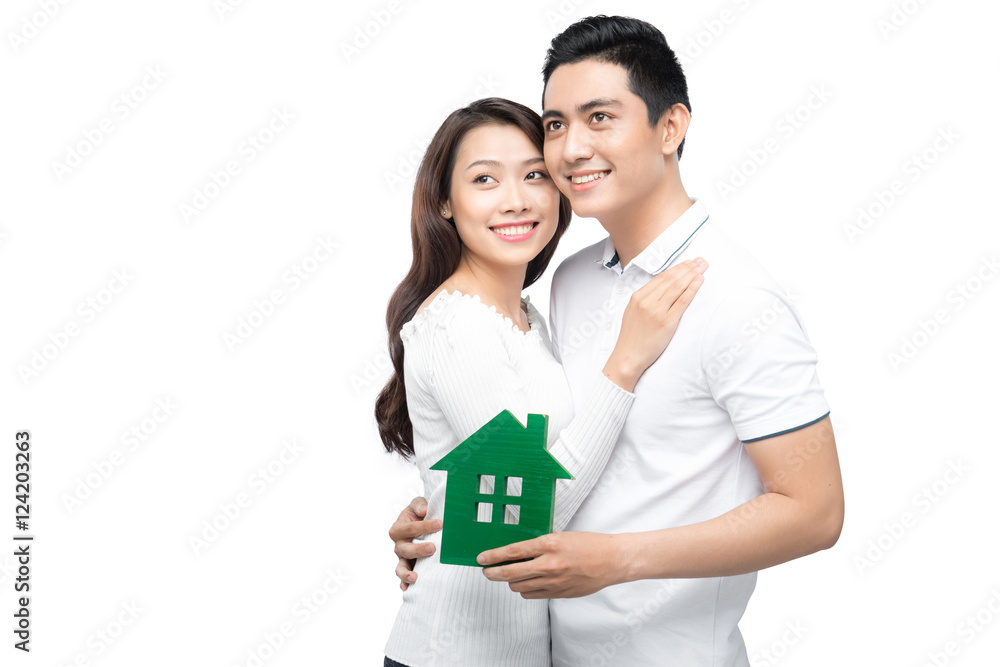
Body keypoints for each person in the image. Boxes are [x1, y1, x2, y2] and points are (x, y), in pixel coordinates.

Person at [389, 15, 845, 667]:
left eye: (600, 117)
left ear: (670, 127)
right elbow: (533, 452)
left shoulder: (740, 299)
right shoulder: (570, 281)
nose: (572, 148)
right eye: (556, 124)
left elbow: (815, 512)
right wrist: (442, 505)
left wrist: (621, 558)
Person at [375, 96, 708, 666]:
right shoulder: (459, 326)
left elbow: (495, 480)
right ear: (445, 204)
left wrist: (438, 507)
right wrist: (624, 364)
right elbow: (527, 515)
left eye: (535, 175)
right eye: (485, 179)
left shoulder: (527, 316)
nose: (516, 200)